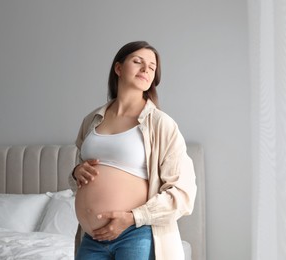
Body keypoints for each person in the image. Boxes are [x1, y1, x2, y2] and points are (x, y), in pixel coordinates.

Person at [69, 41, 197, 260]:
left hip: (136, 235)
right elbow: (78, 182)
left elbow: (183, 194)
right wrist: (76, 172)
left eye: (152, 67)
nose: (146, 69)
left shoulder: (161, 124)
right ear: (118, 68)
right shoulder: (91, 121)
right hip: (92, 239)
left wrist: (133, 217)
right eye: (137, 61)